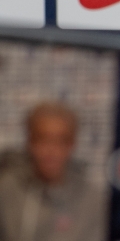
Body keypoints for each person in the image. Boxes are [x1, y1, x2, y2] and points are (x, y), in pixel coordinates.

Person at [0, 102, 105, 241]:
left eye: (60, 141)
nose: (51, 151)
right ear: (30, 141)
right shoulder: (6, 189)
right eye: (42, 139)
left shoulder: (91, 199)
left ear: (72, 144)